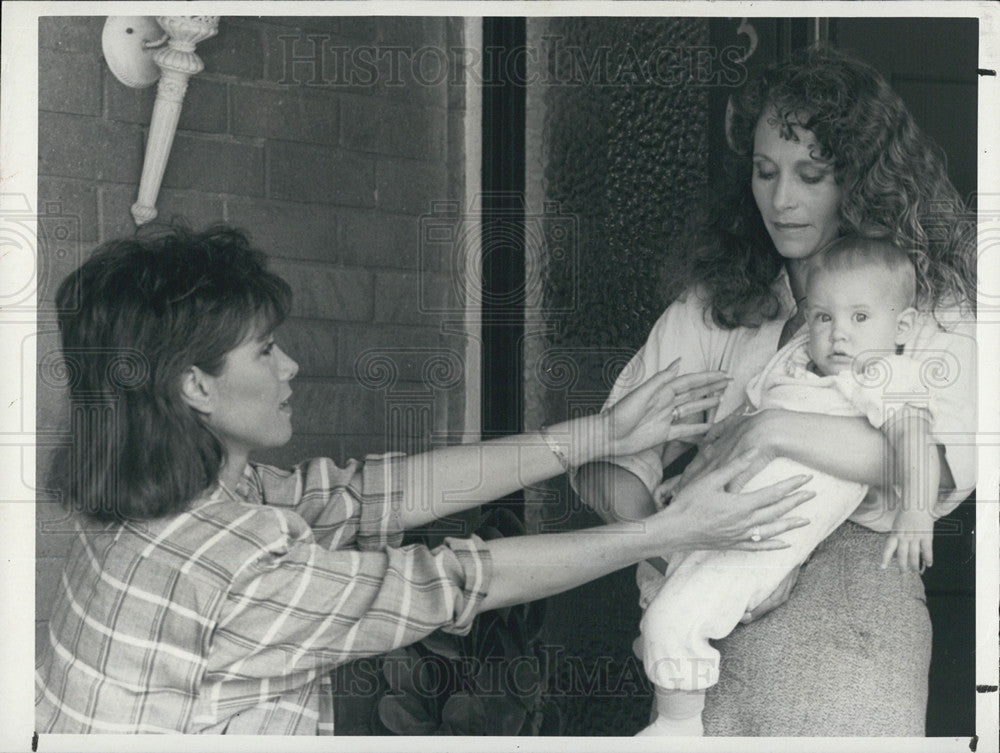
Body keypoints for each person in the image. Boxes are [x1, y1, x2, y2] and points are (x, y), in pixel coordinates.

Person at [33, 224, 814, 735]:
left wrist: (599, 435)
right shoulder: (242, 568)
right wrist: (667, 531)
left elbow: (385, 493)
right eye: (265, 350)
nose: (291, 366)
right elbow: (456, 579)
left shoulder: (164, 505)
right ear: (194, 387)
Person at [574, 45, 976, 736]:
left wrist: (769, 429)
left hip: (853, 623)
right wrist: (676, 545)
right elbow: (605, 464)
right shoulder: (717, 306)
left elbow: (937, 465)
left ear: (866, 179)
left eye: (811, 174)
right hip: (707, 615)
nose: (782, 199)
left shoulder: (927, 310)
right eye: (765, 172)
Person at [636, 236, 945, 736]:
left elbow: (916, 441)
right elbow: (740, 420)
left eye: (860, 318)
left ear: (902, 325)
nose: (838, 334)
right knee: (666, 587)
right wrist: (691, 474)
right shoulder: (798, 360)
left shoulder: (884, 374)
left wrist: (917, 510)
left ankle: (678, 729)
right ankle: (668, 661)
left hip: (770, 533)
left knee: (673, 620)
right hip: (726, 513)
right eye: (824, 317)